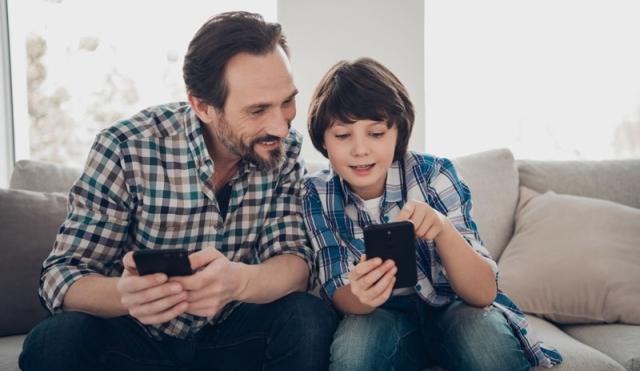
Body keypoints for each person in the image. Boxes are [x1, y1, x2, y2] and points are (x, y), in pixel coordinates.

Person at [19, 11, 337, 371]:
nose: (280, 126)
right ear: (202, 106)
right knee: (53, 341)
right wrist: (125, 295)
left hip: (232, 337)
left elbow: (294, 259)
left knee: (308, 318)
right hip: (136, 340)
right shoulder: (126, 147)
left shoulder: (284, 150)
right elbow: (62, 275)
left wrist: (241, 280)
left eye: (287, 101)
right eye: (258, 110)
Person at [303, 57, 562, 371]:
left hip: (452, 308)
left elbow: (482, 293)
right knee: (358, 345)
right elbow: (339, 292)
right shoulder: (315, 193)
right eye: (343, 136)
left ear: (399, 133)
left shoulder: (435, 174)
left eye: (376, 133)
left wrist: (441, 229)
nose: (360, 150)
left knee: (486, 342)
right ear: (324, 141)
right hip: (380, 318)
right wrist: (360, 293)